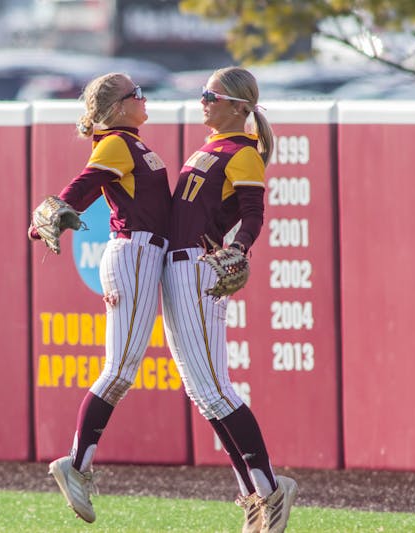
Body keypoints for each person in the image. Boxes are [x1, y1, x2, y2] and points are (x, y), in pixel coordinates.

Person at [160, 66, 299, 533]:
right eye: (203, 93)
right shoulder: (211, 146)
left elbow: (254, 214)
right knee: (205, 393)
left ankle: (270, 488)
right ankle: (255, 494)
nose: (203, 101)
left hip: (199, 267)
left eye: (211, 95)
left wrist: (239, 247)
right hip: (177, 266)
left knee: (215, 391)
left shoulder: (243, 152)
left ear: (239, 107)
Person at [29, 72, 171, 523]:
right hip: (133, 254)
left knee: (122, 370)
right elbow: (85, 184)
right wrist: (55, 210)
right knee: (119, 370)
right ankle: (75, 464)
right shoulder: (115, 142)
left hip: (144, 254)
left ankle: (77, 463)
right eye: (136, 94)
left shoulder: (132, 142)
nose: (143, 98)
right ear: (117, 107)